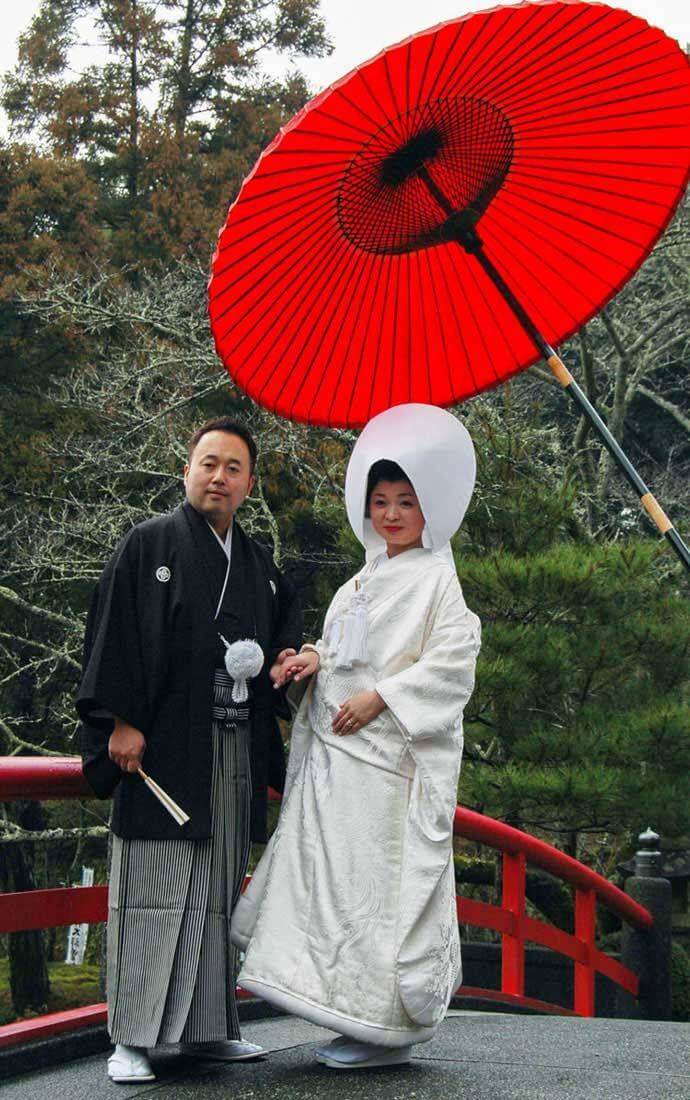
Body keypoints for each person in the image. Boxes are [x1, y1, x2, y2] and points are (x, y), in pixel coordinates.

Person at [232, 403, 481, 1070]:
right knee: (340, 895)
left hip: (387, 771)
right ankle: (349, 1014)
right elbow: (347, 655)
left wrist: (385, 696)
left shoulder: (438, 580)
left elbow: (454, 664)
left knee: (379, 897)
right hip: (340, 771)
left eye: (406, 501)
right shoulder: (363, 579)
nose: (392, 514)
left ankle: (383, 1026)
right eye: (381, 501)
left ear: (431, 507)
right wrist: (310, 660)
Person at [77, 417, 302, 1083]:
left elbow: (283, 643)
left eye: (233, 468)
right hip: (163, 750)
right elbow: (112, 634)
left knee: (215, 891)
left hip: (232, 749)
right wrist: (115, 721)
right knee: (153, 889)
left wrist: (291, 660)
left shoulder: (258, 566)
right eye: (208, 463)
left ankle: (208, 1029)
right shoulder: (148, 545)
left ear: (248, 484)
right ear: (187, 471)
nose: (219, 477)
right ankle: (132, 1038)